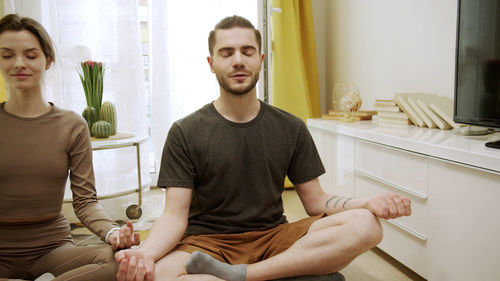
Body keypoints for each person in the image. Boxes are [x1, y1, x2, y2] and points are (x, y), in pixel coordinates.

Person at [115, 15, 412, 281]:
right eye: (226, 53)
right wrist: (146, 254)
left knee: (368, 226)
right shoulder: (185, 132)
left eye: (247, 51)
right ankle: (268, 274)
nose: (238, 61)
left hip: (274, 237)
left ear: (261, 59)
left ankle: (245, 276)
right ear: (211, 63)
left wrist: (367, 203)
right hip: (207, 242)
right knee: (160, 275)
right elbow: (173, 217)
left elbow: (316, 202)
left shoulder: (291, 127)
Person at [0, 14, 140, 280]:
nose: (19, 63)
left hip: (52, 249)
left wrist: (113, 233)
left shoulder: (72, 125)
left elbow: (85, 202)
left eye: (31, 55)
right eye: (7, 55)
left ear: (47, 61)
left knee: (123, 262)